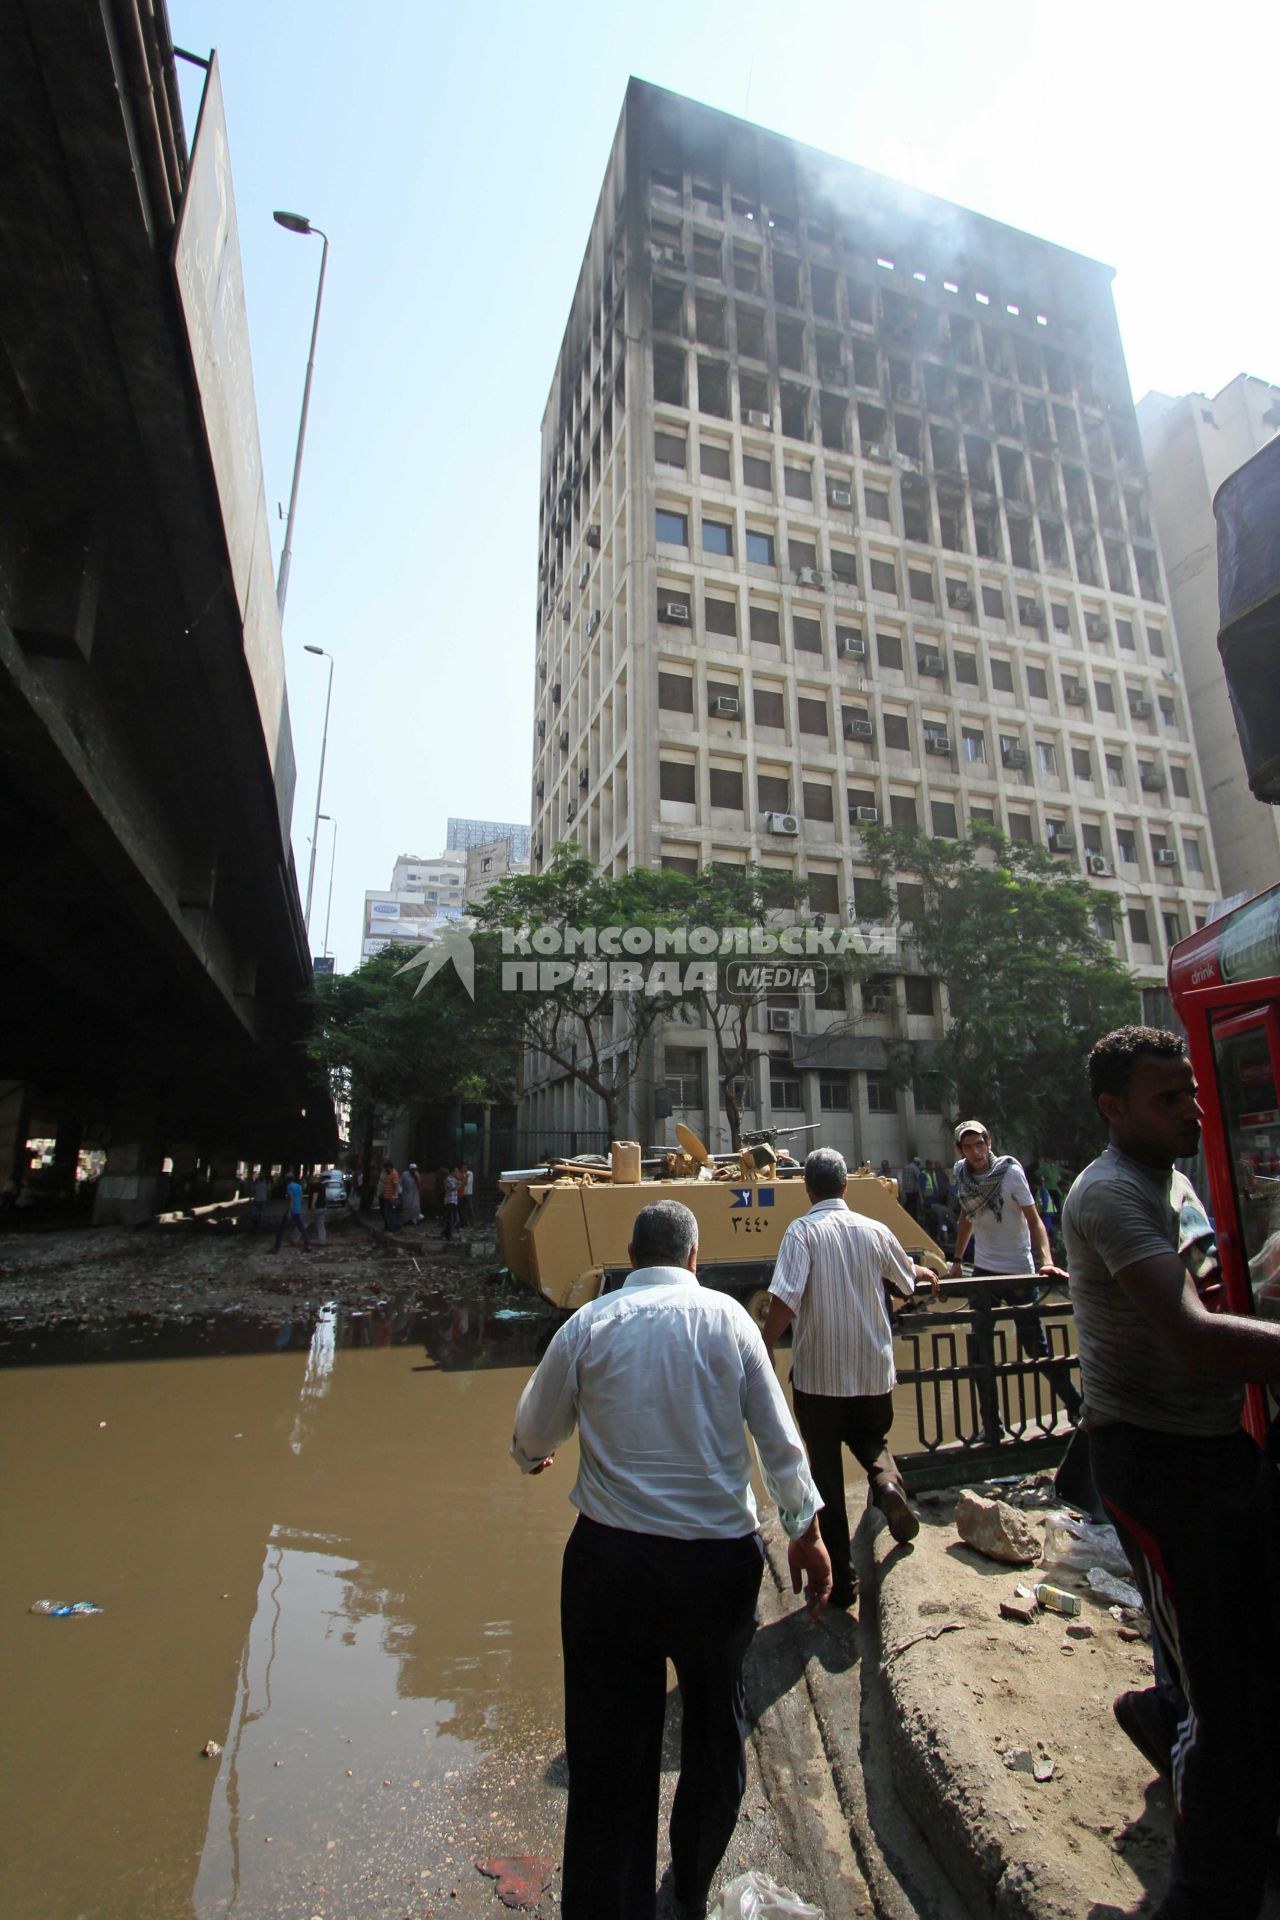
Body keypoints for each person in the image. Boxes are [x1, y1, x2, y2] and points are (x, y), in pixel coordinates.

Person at [511, 1199, 831, 1920]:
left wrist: (535, 1457)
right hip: (717, 1568)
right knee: (716, 1731)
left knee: (607, 1752)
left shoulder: (588, 1324)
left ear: (631, 1255)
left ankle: (606, 1906)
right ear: (695, 1258)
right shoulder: (730, 1322)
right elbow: (778, 1442)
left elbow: (533, 1432)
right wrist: (804, 1530)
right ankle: (688, 1888)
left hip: (610, 1566)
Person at [1063, 1025, 1280, 1920]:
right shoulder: (1111, 1193)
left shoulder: (1171, 1174)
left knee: (1242, 1655)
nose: (1192, 1110)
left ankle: (1167, 1719)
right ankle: (1205, 1893)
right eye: (1169, 1100)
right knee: (1224, 1703)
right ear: (1114, 1111)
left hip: (1218, 1446)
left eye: (1191, 1094)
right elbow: (1191, 1336)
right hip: (1154, 1460)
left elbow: (1213, 1287)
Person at [762, 1147, 933, 1612]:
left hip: (819, 1380)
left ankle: (844, 1584)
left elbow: (785, 1301)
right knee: (871, 1439)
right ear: (845, 1186)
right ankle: (888, 1486)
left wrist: (761, 1345)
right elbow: (906, 1284)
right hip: (874, 1371)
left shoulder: (801, 1232)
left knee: (826, 1479)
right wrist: (918, 1270)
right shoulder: (876, 1230)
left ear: (808, 1189)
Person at [948, 1120, 1082, 1427]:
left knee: (1034, 1346)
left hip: (1018, 1269)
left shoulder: (1010, 1172)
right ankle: (991, 1425)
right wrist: (957, 1259)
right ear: (960, 1150)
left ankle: (1077, 1405)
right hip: (984, 1271)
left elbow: (1034, 1221)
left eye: (980, 1144)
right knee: (979, 1351)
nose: (976, 1152)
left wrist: (1045, 1259)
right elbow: (967, 1216)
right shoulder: (962, 1175)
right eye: (968, 1147)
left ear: (989, 1142)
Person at [273, 1169, 311, 1252]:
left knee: (281, 1229)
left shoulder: (289, 1187)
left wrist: (289, 1211)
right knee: (301, 1228)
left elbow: (291, 1199)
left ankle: (276, 1247)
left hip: (292, 1210)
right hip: (298, 1209)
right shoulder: (298, 1186)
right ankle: (307, 1244)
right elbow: (301, 1198)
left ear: (286, 1179)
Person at [377, 1161, 400, 1232]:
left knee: (389, 1213)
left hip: (391, 1197)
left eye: (386, 1168)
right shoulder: (390, 1174)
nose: (385, 1169)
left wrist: (395, 1196)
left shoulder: (394, 1174)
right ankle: (394, 1226)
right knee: (387, 1213)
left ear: (389, 1167)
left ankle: (395, 1227)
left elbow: (396, 1186)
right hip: (387, 1196)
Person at [898, 1154, 922, 1221]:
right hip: (913, 1190)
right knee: (914, 1206)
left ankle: (903, 1215)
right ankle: (914, 1219)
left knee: (908, 1203)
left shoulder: (906, 1167)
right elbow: (919, 1178)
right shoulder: (915, 1168)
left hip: (906, 1189)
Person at [441, 1167, 459, 1239]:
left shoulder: (454, 1179)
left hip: (454, 1201)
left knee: (454, 1219)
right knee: (451, 1218)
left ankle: (445, 1232)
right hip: (449, 1201)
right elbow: (454, 1188)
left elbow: (462, 1183)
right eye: (456, 1172)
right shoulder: (448, 1179)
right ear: (452, 1172)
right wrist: (461, 1183)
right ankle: (448, 1235)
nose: (457, 1173)